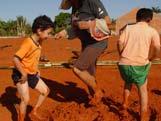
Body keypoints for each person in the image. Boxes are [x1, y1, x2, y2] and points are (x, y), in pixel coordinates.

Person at [55, 0, 111, 103]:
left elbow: (108, 21)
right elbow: (76, 27)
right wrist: (64, 32)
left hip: (97, 41)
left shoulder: (92, 2)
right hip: (86, 43)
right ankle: (95, 98)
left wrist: (88, 24)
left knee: (78, 68)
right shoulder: (75, 8)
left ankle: (98, 92)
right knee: (89, 73)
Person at [117, 8, 160, 121]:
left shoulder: (128, 28)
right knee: (143, 89)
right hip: (140, 66)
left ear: (136, 18)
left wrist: (121, 54)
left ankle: (125, 104)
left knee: (128, 82)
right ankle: (143, 115)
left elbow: (120, 42)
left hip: (123, 65)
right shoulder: (152, 31)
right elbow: (157, 48)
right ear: (149, 20)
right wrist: (151, 59)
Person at [11, 15, 54, 121]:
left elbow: (33, 57)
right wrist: (23, 73)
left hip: (31, 74)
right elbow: (16, 59)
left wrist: (36, 69)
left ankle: (34, 111)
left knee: (46, 91)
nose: (49, 36)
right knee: (25, 99)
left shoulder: (39, 42)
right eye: (48, 33)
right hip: (21, 74)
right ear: (39, 30)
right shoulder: (28, 43)